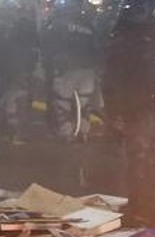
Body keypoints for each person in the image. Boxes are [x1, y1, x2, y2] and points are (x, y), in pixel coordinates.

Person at [100, 0, 155, 215]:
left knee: (142, 155)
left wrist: (113, 113)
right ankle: (143, 203)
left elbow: (110, 81)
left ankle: (143, 202)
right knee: (144, 156)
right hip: (142, 108)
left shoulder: (127, 43)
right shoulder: (141, 43)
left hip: (142, 108)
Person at [43, 0, 101, 139]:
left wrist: (49, 66)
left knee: (62, 102)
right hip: (88, 69)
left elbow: (48, 45)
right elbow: (96, 46)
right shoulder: (88, 24)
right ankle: (84, 133)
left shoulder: (57, 23)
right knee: (84, 104)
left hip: (66, 68)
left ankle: (67, 133)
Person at [0, 0, 39, 142]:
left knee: (4, 100)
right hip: (16, 69)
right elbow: (33, 47)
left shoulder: (5, 26)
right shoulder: (23, 25)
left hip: (6, 68)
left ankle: (4, 131)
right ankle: (13, 133)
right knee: (14, 102)